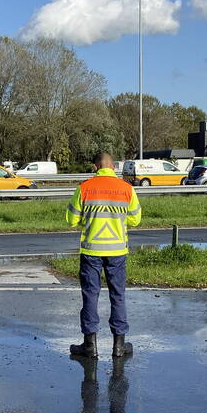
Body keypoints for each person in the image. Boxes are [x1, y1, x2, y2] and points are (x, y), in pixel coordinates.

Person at [65, 152, 142, 358]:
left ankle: (90, 345)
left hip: (91, 250)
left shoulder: (84, 188)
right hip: (117, 251)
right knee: (118, 295)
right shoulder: (127, 189)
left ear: (95, 167)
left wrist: (87, 221)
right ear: (113, 167)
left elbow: (71, 220)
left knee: (91, 295)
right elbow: (135, 220)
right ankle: (119, 346)